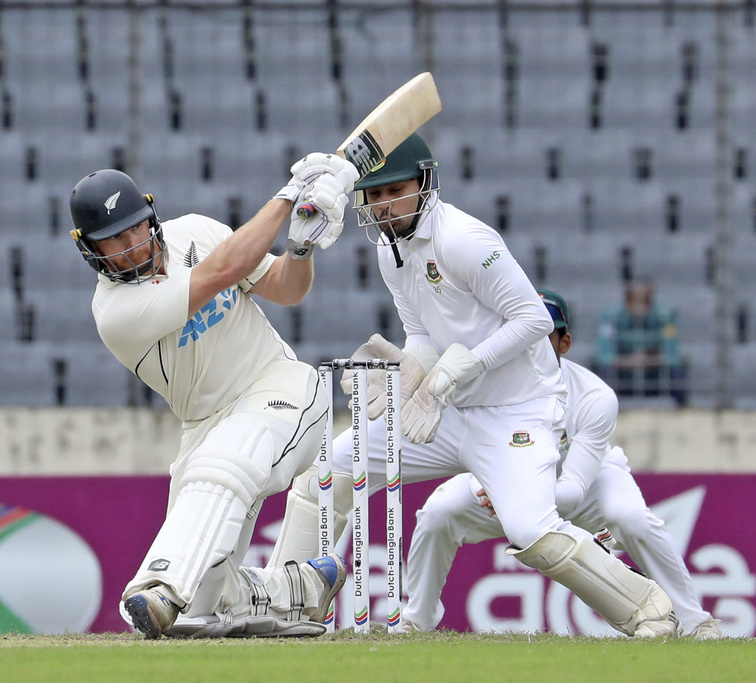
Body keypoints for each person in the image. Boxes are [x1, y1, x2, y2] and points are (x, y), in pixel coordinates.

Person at [267, 134, 679, 639]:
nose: (380, 205)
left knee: (532, 533)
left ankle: (647, 609)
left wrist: (467, 366)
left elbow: (530, 319)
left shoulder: (465, 239)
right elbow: (421, 332)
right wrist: (413, 370)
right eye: (372, 195)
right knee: (327, 472)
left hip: (515, 410)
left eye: (392, 190)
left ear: (424, 183)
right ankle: (282, 607)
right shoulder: (390, 252)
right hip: (446, 407)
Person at [67, 154, 358, 639]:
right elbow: (223, 272)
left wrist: (301, 253)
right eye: (113, 241)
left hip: (282, 388)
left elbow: (285, 289)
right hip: (204, 426)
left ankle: (160, 583)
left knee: (227, 457)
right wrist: (289, 196)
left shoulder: (197, 231)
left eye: (136, 228)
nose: (131, 246)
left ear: (152, 217)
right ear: (90, 250)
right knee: (200, 607)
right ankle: (296, 592)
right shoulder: (115, 312)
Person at [402, 288, 723, 639]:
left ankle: (695, 622)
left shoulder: (595, 398)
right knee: (438, 513)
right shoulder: (482, 386)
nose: (530, 345)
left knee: (631, 517)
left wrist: (508, 491)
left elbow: (572, 492)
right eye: (523, 332)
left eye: (543, 335)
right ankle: (416, 621)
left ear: (565, 343)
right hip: (498, 485)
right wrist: (496, 486)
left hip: (586, 484)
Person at [594, 277, 687, 406]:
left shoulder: (666, 316)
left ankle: (681, 412)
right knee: (601, 372)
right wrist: (630, 361)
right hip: (622, 376)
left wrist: (648, 360)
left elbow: (672, 356)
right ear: (626, 299)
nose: (639, 304)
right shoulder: (611, 317)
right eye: (633, 299)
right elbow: (604, 356)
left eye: (645, 299)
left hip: (655, 376)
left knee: (677, 372)